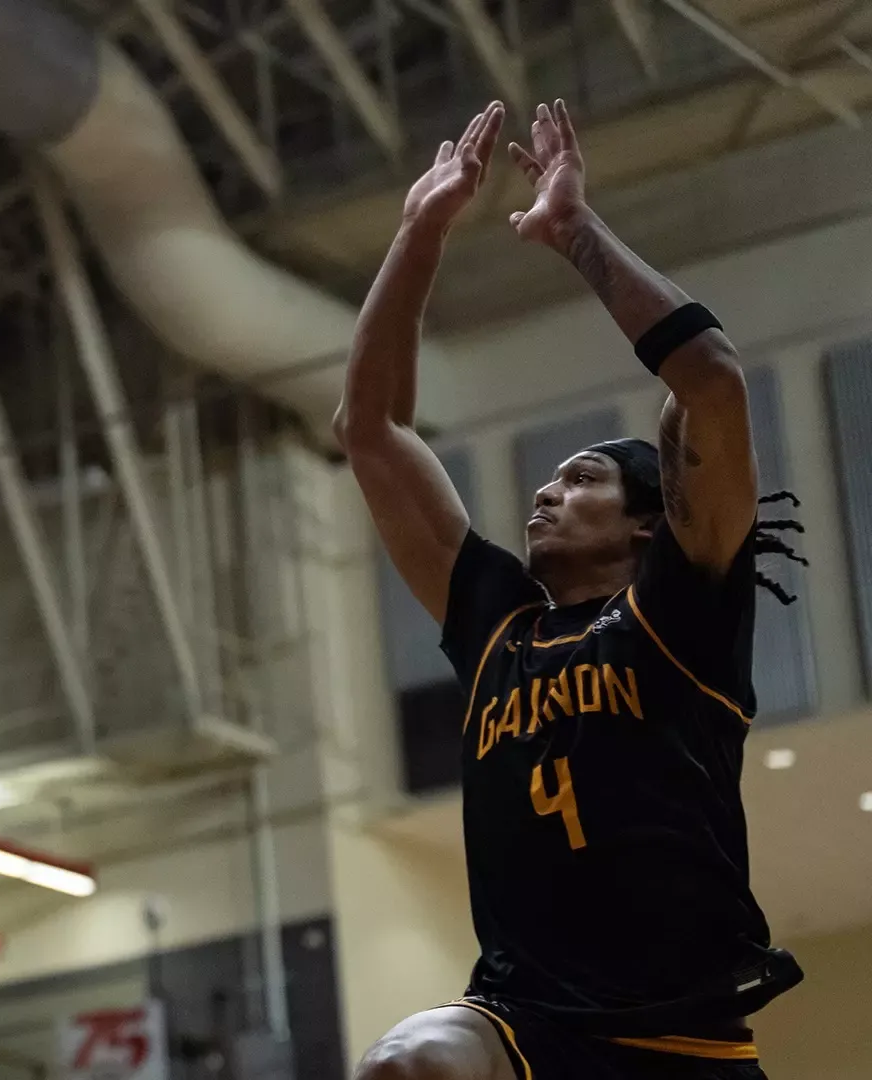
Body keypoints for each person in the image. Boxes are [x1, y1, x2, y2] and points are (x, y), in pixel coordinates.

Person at [335, 100, 805, 1080]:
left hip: (684, 1034)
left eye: (582, 477)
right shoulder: (496, 627)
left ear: (649, 523)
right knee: (406, 1064)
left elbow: (711, 379)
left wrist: (574, 228)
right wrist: (418, 233)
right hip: (525, 1018)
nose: (546, 492)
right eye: (550, 480)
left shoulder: (681, 610)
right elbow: (371, 429)